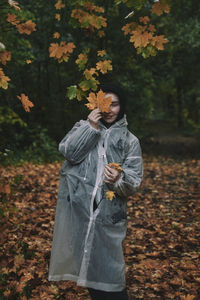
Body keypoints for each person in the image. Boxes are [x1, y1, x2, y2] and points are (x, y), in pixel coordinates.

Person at [48, 83, 143, 300]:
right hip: (80, 213)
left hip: (109, 215)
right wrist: (90, 127)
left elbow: (134, 181)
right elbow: (69, 153)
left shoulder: (130, 141)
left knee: (112, 279)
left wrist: (119, 178)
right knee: (89, 275)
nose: (109, 109)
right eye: (104, 103)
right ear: (96, 105)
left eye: (115, 104)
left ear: (123, 106)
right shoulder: (83, 126)